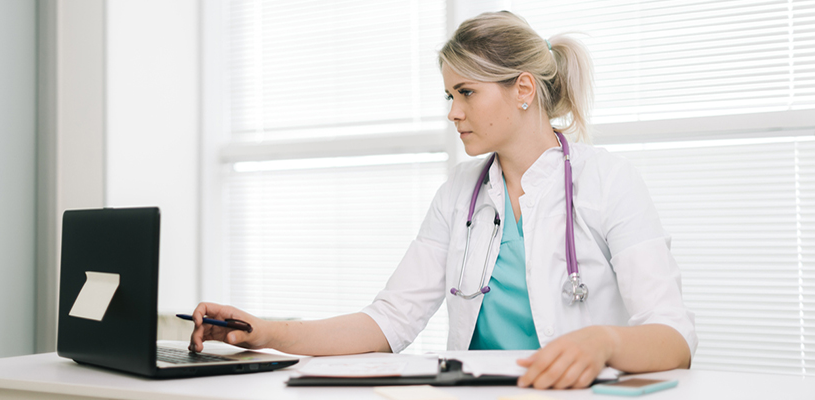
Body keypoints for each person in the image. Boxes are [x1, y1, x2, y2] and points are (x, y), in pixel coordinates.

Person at [188, 11, 697, 389]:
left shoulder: (608, 180)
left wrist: (604, 342)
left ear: (523, 89)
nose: (453, 113)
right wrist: (266, 332)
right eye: (448, 96)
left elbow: (673, 338)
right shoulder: (461, 191)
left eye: (466, 93)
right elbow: (389, 321)